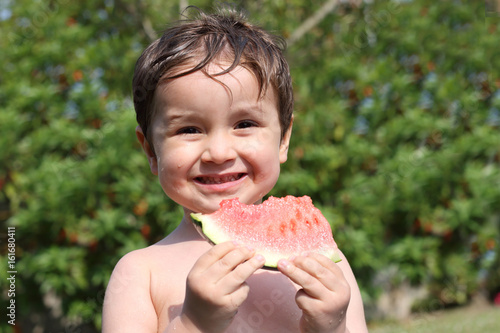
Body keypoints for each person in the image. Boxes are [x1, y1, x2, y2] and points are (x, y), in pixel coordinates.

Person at [102, 5, 368, 333]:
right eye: (189, 129)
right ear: (150, 150)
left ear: (283, 139)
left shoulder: (324, 264)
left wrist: (332, 325)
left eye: (244, 123)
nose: (218, 152)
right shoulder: (139, 274)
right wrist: (192, 323)